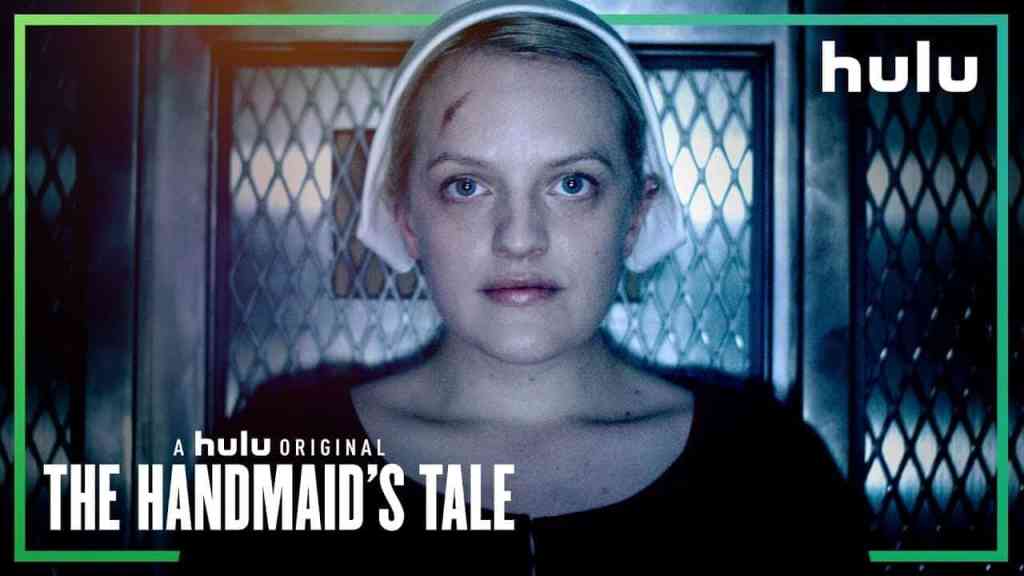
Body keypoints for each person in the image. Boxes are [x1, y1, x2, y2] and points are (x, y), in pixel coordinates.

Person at [181, 0, 867, 572]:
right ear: (406, 219)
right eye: (466, 186)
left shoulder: (770, 472)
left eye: (572, 184)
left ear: (636, 214)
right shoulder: (276, 460)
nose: (518, 237)